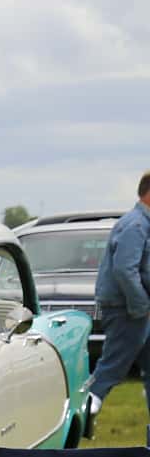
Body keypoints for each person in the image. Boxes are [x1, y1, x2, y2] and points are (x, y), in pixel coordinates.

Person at [89, 171, 150, 414]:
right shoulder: (136, 225)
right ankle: (81, 415)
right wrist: (142, 307)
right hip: (128, 310)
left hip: (137, 309)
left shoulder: (141, 223)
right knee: (111, 368)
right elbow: (125, 270)